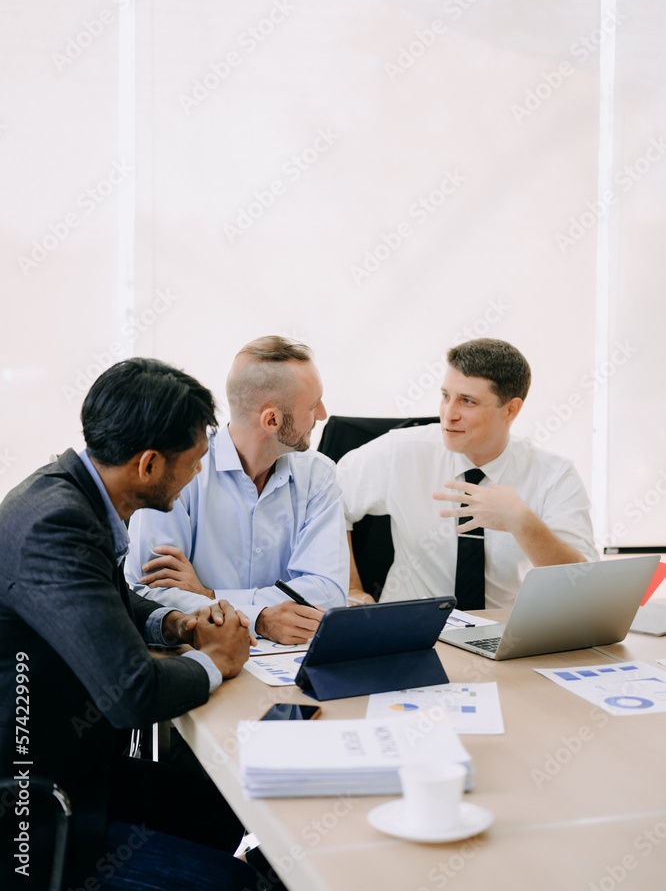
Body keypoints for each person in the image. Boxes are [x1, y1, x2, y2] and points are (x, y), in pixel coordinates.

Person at [0, 358, 268, 891]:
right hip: (36, 804)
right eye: (192, 464)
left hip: (81, 763)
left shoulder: (70, 490)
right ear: (148, 464)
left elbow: (109, 600)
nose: (197, 476)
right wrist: (217, 658)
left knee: (230, 801)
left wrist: (177, 625)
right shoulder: (58, 524)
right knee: (241, 883)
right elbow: (132, 693)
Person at [339, 338, 598, 609]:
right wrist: (349, 587)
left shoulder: (554, 475)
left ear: (511, 409)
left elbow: (586, 584)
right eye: (445, 396)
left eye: (467, 401)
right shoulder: (400, 452)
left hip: (505, 634)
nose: (448, 414)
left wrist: (522, 521)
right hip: (410, 630)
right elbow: (330, 502)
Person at [125, 336, 349, 644]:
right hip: (200, 658)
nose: (323, 414)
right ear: (272, 420)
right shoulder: (178, 471)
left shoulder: (319, 476)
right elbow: (146, 596)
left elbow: (328, 595)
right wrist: (259, 619)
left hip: (289, 662)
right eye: (313, 405)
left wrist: (210, 595)